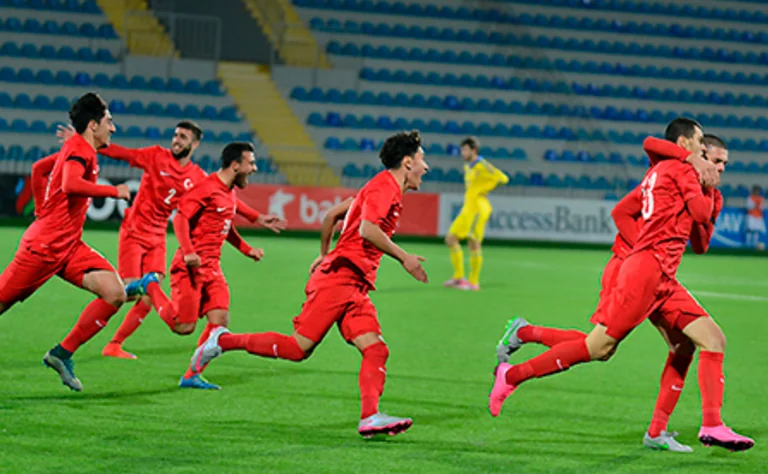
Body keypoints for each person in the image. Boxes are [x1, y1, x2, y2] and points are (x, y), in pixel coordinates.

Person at [489, 118, 754, 452]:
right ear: (690, 146)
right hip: (638, 269)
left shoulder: (674, 173)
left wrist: (708, 193)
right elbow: (652, 199)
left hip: (659, 274)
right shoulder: (681, 170)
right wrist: (646, 244)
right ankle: (513, 372)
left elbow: (700, 241)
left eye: (722, 164)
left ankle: (698, 426)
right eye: (713, 158)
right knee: (598, 348)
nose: (718, 167)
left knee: (705, 340)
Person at [184, 130, 429, 438]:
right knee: (298, 348)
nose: (426, 167)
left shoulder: (379, 188)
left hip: (354, 284)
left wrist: (324, 254)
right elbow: (367, 229)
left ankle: (370, 417)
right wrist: (403, 257)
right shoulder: (385, 189)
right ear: (407, 162)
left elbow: (331, 215)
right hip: (340, 280)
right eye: (422, 159)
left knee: (376, 350)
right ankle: (222, 340)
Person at [55, 122, 285, 359]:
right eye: (175, 135)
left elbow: (224, 200)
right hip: (134, 231)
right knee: (130, 293)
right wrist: (85, 142)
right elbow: (122, 153)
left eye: (183, 137)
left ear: (194, 144)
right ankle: (98, 336)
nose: (176, 140)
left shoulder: (196, 176)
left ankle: (115, 344)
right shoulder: (155, 155)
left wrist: (256, 217)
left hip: (158, 236)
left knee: (146, 296)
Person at [0, 92, 135, 391]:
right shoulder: (80, 151)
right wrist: (115, 192)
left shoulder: (79, 147)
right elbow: (70, 184)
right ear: (93, 125)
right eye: (109, 122)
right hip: (43, 249)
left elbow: (38, 170)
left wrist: (41, 210)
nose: (113, 128)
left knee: (115, 293)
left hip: (69, 246)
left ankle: (61, 354)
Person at [443, 137, 509, 291]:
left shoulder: (482, 165)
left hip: (478, 208)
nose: (462, 153)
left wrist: (484, 189)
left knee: (473, 242)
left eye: (465, 150)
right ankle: (459, 277)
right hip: (468, 208)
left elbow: (503, 178)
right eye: (462, 150)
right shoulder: (468, 166)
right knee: (450, 239)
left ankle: (473, 282)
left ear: (474, 150)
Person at [745, 185, 766, 250]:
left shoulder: (761, 199)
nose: (757, 192)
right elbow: (748, 207)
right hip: (751, 216)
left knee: (756, 230)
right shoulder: (750, 198)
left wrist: (758, 206)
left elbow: (762, 208)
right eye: (755, 191)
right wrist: (755, 205)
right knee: (749, 230)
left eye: (758, 191)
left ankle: (755, 244)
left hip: (758, 216)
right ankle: (748, 244)